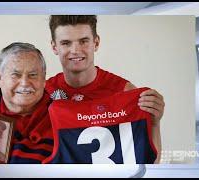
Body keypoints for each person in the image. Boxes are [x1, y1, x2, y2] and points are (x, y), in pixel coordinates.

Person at [45, 15, 164, 163]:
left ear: (96, 42)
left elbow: (151, 162)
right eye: (66, 43)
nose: (75, 50)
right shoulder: (45, 92)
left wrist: (154, 123)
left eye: (83, 41)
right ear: (54, 47)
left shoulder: (125, 91)